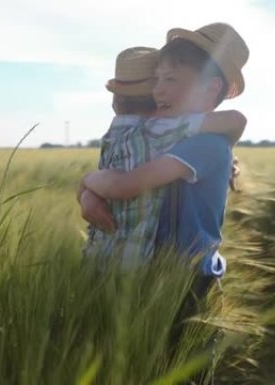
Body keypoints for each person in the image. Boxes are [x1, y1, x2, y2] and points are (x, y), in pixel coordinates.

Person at [79, 45, 245, 269]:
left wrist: (87, 181)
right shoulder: (166, 135)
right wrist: (87, 194)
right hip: (154, 271)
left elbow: (121, 184)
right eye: (157, 81)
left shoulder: (204, 143)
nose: (159, 91)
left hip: (186, 274)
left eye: (170, 80)